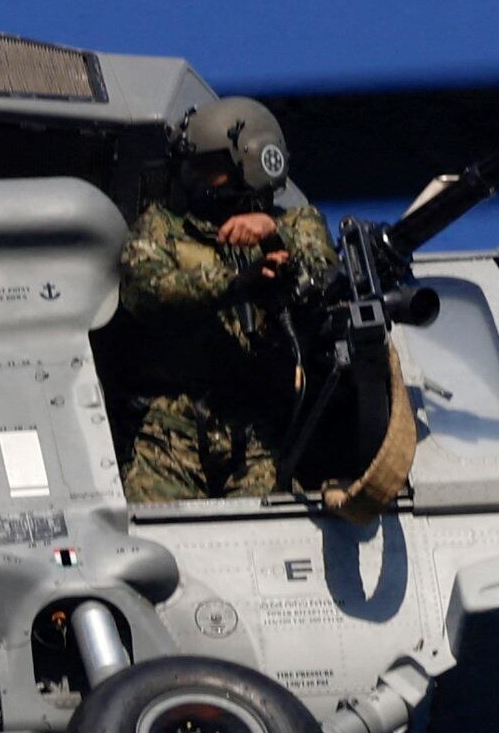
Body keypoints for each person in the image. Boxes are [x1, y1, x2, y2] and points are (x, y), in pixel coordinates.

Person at [105, 94, 336, 503]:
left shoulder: (298, 224)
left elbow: (324, 280)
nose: (195, 176)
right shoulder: (162, 228)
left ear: (247, 165)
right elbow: (145, 292)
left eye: (209, 167)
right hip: (169, 431)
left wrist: (273, 236)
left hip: (258, 433)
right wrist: (233, 283)